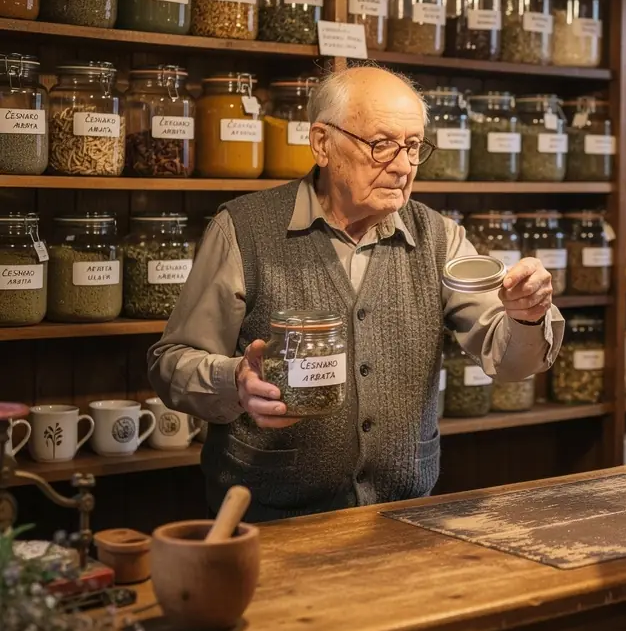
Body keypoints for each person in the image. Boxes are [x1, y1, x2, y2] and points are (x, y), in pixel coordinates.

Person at [149, 66, 563, 521]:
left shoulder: (441, 238)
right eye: (381, 145)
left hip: (403, 517)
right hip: (269, 519)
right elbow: (171, 364)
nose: (404, 165)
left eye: (412, 147)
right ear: (322, 143)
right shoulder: (244, 230)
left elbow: (508, 360)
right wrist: (235, 383)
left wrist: (526, 315)